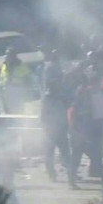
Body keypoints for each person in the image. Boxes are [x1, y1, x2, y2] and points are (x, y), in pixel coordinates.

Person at [67, 65, 103, 190]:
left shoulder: (99, 93)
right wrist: (79, 128)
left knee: (93, 155)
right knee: (81, 155)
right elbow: (76, 111)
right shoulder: (85, 93)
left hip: (91, 129)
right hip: (81, 130)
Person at [41, 50, 70, 182]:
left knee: (64, 152)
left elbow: (64, 114)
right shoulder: (48, 100)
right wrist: (46, 128)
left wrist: (65, 126)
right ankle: (52, 174)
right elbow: (43, 116)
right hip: (51, 131)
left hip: (59, 129)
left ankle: (71, 175)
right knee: (50, 153)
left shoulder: (60, 98)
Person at [0, 47, 34, 114]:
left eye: (9, 54)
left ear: (14, 56)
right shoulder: (4, 65)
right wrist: (1, 89)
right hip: (6, 90)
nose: (7, 56)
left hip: (17, 90)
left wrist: (26, 90)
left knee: (18, 110)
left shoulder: (20, 65)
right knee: (7, 110)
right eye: (6, 54)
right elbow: (2, 78)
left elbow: (29, 78)